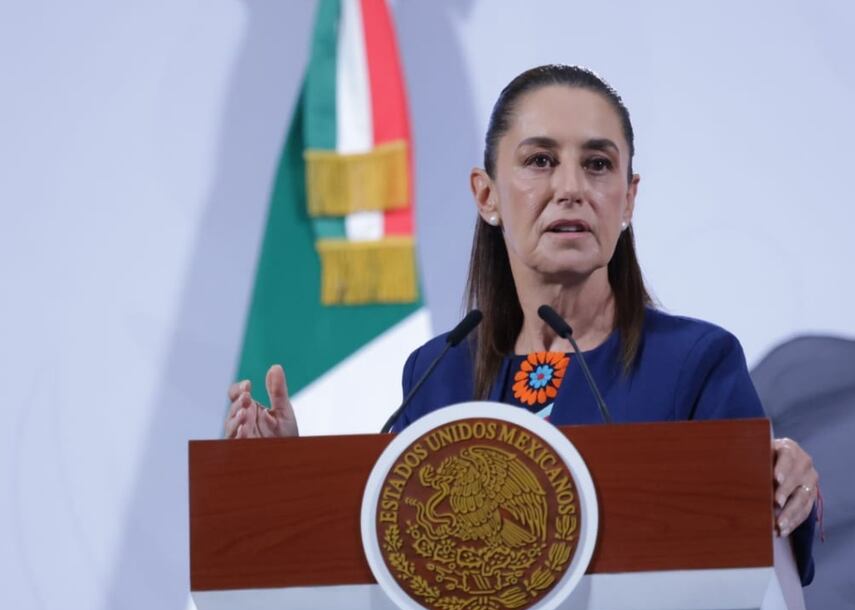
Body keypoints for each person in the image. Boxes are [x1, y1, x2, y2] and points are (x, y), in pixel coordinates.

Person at [224, 64, 820, 583]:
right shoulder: (438, 374)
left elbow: (757, 547)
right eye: (540, 161)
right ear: (485, 195)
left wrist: (789, 486)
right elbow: (381, 556)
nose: (571, 189)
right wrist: (288, 478)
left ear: (629, 198)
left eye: (597, 165)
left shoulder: (696, 361)